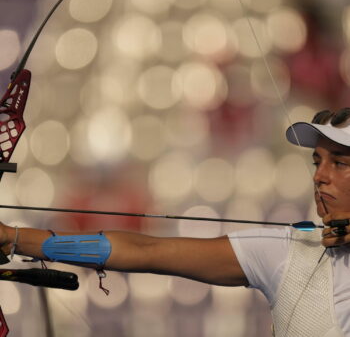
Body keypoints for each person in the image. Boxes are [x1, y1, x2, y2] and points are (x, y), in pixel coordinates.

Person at [0, 108, 350, 337]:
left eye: (340, 163)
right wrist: (14, 238)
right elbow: (144, 250)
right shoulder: (288, 253)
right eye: (316, 161)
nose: (319, 176)